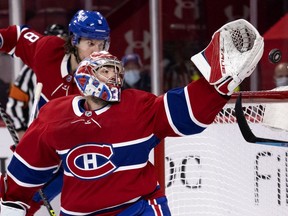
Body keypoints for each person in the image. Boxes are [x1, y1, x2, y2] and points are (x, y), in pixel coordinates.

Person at [0, 18, 264, 215]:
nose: (115, 77)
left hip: (136, 208)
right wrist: (12, 201)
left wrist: (215, 83)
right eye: (106, 71)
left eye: (116, 71)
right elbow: (27, 168)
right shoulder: (55, 114)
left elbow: (184, 112)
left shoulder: (136, 106)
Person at [0, 9, 110, 215]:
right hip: (36, 150)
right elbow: (17, 36)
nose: (97, 51)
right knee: (8, 198)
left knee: (27, 204)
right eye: (91, 43)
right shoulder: (48, 51)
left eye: (101, 44)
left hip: (72, 160)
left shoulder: (103, 80)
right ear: (74, 41)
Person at [6, 24, 68, 140]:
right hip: (38, 136)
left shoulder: (77, 70)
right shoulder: (30, 70)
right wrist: (21, 130)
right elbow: (14, 104)